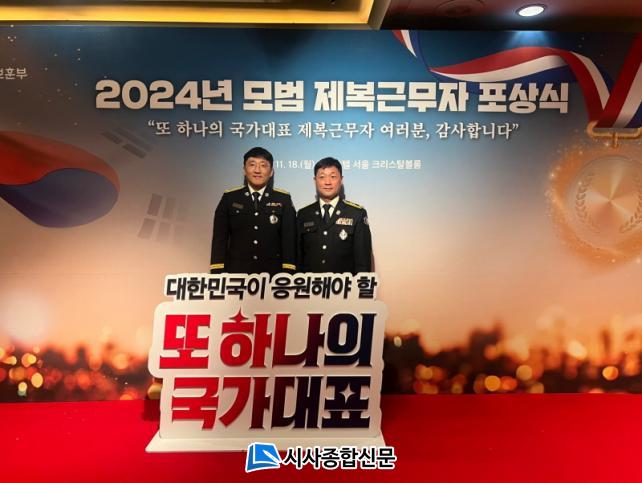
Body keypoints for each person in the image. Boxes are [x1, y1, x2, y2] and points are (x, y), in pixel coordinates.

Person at [210, 147, 296, 275]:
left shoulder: (283, 199)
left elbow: (289, 240)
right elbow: (219, 239)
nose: (257, 170)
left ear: (271, 172)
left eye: (263, 165)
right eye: (252, 164)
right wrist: (217, 272)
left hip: (272, 275)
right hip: (236, 273)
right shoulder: (229, 198)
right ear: (244, 170)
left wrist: (288, 273)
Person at [297, 157, 372, 274]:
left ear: (341, 180)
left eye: (333, 177)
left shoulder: (356, 214)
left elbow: (363, 263)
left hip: (344, 285)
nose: (327, 182)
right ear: (315, 180)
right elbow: (297, 257)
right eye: (322, 177)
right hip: (310, 284)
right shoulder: (304, 214)